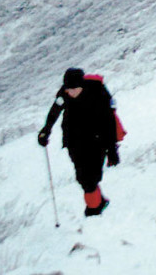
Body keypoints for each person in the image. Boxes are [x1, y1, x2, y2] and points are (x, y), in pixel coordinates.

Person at [37, 68, 119, 216]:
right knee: (82, 177)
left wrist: (112, 150)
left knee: (91, 178)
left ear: (82, 85)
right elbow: (55, 110)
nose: (70, 93)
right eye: (68, 89)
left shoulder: (98, 92)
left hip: (97, 140)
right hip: (73, 139)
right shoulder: (65, 92)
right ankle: (97, 203)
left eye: (74, 89)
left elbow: (109, 123)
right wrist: (46, 130)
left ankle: (94, 208)